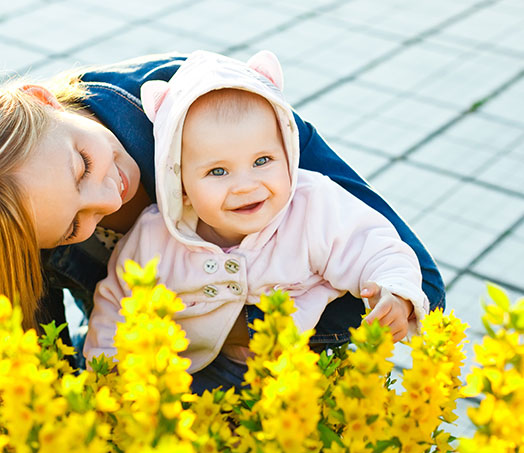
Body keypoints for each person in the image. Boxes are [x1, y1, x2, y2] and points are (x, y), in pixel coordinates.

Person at [0, 51, 444, 396]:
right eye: (74, 226)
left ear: (40, 98)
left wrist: (243, 330)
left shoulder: (218, 111)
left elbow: (421, 282)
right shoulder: (11, 227)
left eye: (82, 165)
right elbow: (54, 368)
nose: (108, 195)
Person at [83, 51, 429, 392]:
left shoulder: (312, 206)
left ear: (288, 153)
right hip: (190, 376)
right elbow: (116, 302)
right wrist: (108, 370)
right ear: (180, 183)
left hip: (302, 367)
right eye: (218, 171)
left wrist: (394, 290)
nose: (246, 185)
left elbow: (372, 244)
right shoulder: (154, 238)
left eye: (263, 160)